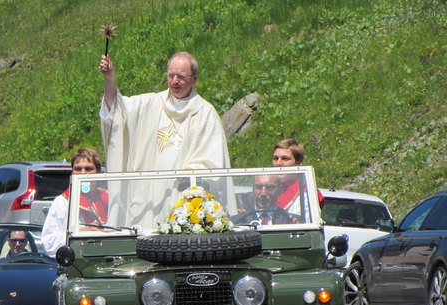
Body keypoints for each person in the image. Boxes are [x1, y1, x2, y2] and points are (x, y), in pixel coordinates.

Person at [98, 51, 230, 172]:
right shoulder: (151, 104)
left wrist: (191, 171)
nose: (174, 81)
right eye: (171, 76)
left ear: (194, 78)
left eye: (181, 77)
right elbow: (116, 110)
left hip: (185, 192)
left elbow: (214, 159)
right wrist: (109, 78)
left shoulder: (205, 113)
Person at [41, 148, 107, 257]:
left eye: (88, 169)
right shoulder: (62, 202)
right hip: (78, 263)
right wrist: (80, 233)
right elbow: (48, 243)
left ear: (98, 171)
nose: (83, 173)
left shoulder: (107, 198)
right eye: (78, 169)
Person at [271, 138, 324, 218]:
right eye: (275, 158)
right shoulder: (266, 188)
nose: (279, 163)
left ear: (298, 163)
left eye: (285, 159)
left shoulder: (306, 193)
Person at [234, 174, 301, 225]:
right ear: (253, 190)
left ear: (279, 190)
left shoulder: (291, 221)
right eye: (259, 187)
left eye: (269, 187)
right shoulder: (237, 221)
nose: (263, 193)